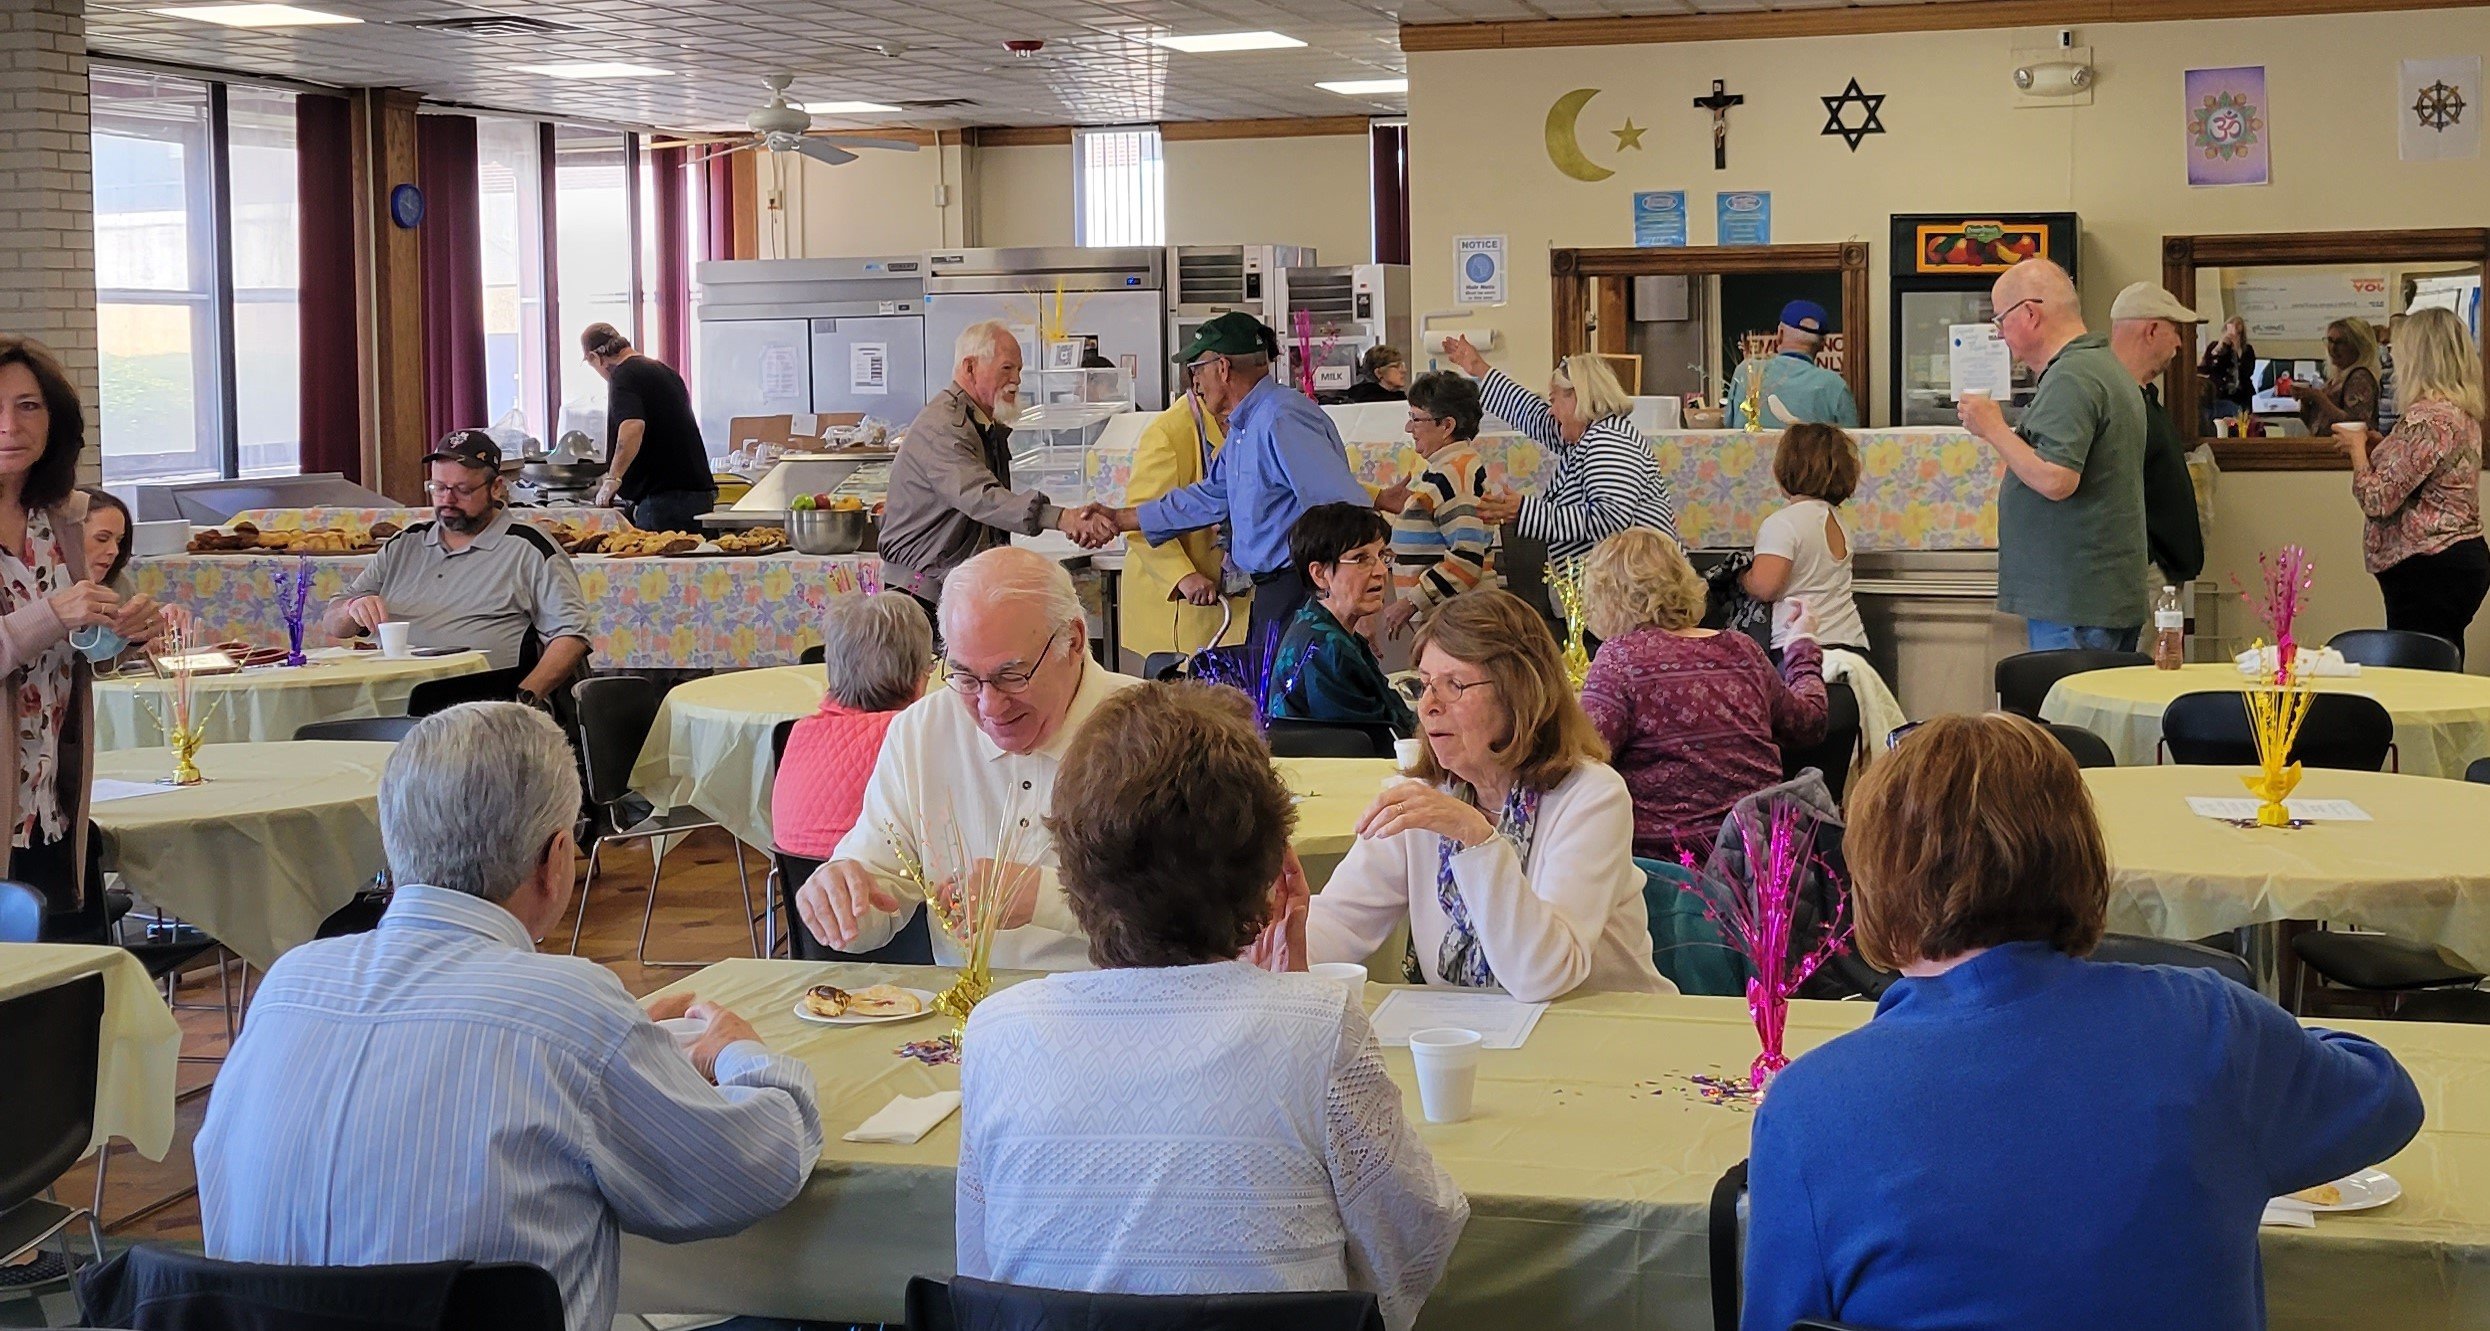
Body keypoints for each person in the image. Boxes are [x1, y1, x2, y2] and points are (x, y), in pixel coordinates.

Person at [1740, 713, 2423, 1331]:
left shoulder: (1809, 1109)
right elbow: (2389, 1098)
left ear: (1876, 881)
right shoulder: (2214, 1029)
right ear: (2083, 861)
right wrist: (2274, 1046)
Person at [197, 703, 823, 1331]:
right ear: (555, 858)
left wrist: (614, 1042)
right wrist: (741, 1054)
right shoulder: (570, 1010)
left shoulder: (290, 984)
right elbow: (750, 1173)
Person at [957, 683, 1468, 1331]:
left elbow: (981, 1275)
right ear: (1272, 865)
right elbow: (1416, 1245)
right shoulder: (1318, 1026)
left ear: (1071, 870)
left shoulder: (997, 1032)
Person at [1306, 590, 1671, 1002]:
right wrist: (1258, 944)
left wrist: (1475, 837)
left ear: (1519, 694)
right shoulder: (1423, 797)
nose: (1428, 706)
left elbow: (1545, 974)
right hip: (1478, 1039)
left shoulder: (1590, 796)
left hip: (1606, 1035)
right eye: (1424, 685)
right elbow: (1339, 925)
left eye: (1454, 685)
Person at [795, 546, 1141, 970]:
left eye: (1012, 676)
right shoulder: (921, 732)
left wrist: (1046, 898)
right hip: (968, 1018)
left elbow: (1195, 915)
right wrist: (844, 896)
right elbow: (880, 884)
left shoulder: (1150, 731)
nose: (990, 706)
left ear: (1073, 641)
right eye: (965, 677)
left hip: (1122, 1013)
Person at [0, 338, 165, 925]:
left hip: (53, 804)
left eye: (28, 406)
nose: (9, 425)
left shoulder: (63, 517)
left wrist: (121, 635)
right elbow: (46, 625)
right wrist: (53, 614)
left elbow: (70, 653)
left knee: (72, 1003)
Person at [1100, 312, 1378, 644]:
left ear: (1223, 367)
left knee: (1291, 693)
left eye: (1196, 370)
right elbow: (1209, 496)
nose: (1196, 383)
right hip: (1273, 590)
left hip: (1299, 590)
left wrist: (1358, 606)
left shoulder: (1281, 418)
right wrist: (1120, 518)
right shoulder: (1246, 427)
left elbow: (1344, 509)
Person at [1580, 529, 1827, 864]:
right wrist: (1802, 645)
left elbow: (1584, 759)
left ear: (1603, 598)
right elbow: (1809, 723)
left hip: (1668, 873)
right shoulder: (1742, 648)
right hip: (1758, 866)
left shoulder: (1620, 658)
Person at [1958, 258, 2149, 651]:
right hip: (2095, 595)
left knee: (2069, 711)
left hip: (2074, 604)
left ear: (2029, 313)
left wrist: (1991, 427)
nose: (2000, 334)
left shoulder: (2071, 376)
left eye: (2001, 320)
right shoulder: (2103, 367)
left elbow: (2056, 478)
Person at [323, 430, 592, 705]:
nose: (447, 500)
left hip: (481, 702)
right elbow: (334, 623)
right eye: (438, 488)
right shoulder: (405, 543)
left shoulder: (529, 548)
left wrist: (523, 699)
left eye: (462, 490)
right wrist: (351, 609)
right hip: (387, 698)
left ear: (496, 487)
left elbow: (571, 637)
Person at [881, 322, 1117, 620]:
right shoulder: (943, 427)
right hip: (920, 595)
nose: (1016, 381)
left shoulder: (980, 422)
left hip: (950, 587)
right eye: (1006, 369)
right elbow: (981, 497)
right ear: (970, 368)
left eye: (1018, 370)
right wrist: (1062, 517)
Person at [1440, 335, 1678, 566]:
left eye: (1553, 401)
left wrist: (1525, 510)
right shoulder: (1590, 435)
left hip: (1635, 589)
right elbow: (1532, 415)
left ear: (1578, 397)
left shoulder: (1609, 441)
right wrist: (1479, 369)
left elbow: (1609, 520)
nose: (1550, 412)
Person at [2340, 305, 2486, 664]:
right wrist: (2383, 447)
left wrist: (2356, 449)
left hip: (2428, 565)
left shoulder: (2428, 419)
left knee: (2416, 673)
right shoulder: (2459, 414)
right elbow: (2423, 473)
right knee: (2440, 663)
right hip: (2456, 557)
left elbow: (2377, 499)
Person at [770, 592, 933, 862]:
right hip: (885, 898)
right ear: (918, 679)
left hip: (801, 895)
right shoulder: (910, 735)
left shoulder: (799, 732)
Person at [1116, 374, 1246, 664]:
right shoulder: (1169, 432)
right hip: (1181, 612)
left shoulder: (1247, 424)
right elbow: (1142, 520)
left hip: (1233, 606)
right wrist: (1183, 576)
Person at [1268, 503, 1415, 736]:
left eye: (1381, 556)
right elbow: (1377, 741)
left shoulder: (1322, 625)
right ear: (1319, 574)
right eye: (1361, 559)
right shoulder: (1327, 649)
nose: (1380, 570)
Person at [1382, 370, 1496, 641]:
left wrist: (1412, 602)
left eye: (1416, 419)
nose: (1409, 429)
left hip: (1459, 621)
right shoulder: (1447, 469)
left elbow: (1468, 557)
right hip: (1449, 618)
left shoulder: (1454, 473)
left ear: (1447, 425)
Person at [2108, 282, 2209, 586]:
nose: (2179, 343)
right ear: (2151, 331)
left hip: (2162, 571)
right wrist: (2151, 559)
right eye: (2175, 331)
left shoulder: (2145, 398)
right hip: (2144, 574)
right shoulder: (2115, 401)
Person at [1739, 423, 1869, 656]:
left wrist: (1743, 578)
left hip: (1801, 645)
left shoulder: (1782, 524)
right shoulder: (1836, 520)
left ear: (1783, 470)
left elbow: (1766, 587)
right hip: (1850, 641)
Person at [581, 323, 717, 534]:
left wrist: (612, 479)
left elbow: (633, 427)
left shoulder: (623, 375)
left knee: (658, 565)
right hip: (697, 495)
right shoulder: (665, 372)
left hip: (663, 502)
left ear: (593, 358)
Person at [1724, 300, 1861, 429]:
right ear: (1823, 344)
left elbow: (1728, 428)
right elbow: (1851, 445)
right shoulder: (1835, 386)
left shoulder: (1747, 371)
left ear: (1780, 333)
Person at [2294, 316, 2384, 436]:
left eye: (2340, 343)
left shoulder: (2360, 377)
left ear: (2358, 346)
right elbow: (2315, 425)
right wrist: (2306, 401)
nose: (2333, 348)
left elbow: (2355, 425)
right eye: (2330, 341)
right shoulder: (2336, 378)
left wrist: (2320, 398)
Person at [75, 486, 134, 591]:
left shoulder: (119, 584)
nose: (115, 551)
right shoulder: (42, 589)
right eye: (102, 539)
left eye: (118, 541)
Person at [2198, 316, 2257, 420]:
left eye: (2238, 333)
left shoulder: (2247, 350)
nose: (2233, 335)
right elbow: (2206, 368)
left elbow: (2248, 372)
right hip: (2218, 394)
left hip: (2240, 397)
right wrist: (2219, 348)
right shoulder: (2214, 347)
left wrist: (2238, 351)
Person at [1341, 343, 1410, 403]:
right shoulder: (1368, 398)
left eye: (1402, 366)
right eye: (1396, 366)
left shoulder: (1400, 397)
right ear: (1378, 373)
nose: (1404, 370)